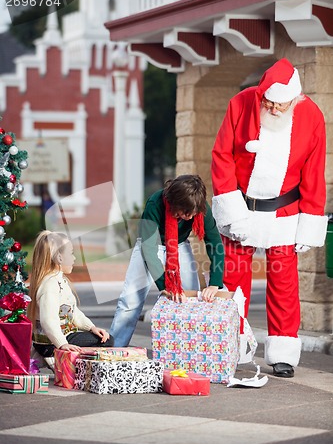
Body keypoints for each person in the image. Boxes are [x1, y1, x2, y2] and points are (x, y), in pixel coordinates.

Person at [211, 58, 327, 378]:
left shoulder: (312, 116)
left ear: (295, 98)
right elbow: (221, 156)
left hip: (285, 212)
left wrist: (311, 218)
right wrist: (232, 211)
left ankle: (282, 353)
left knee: (284, 285)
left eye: (281, 104)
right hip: (241, 208)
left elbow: (314, 172)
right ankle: (230, 346)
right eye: (269, 103)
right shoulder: (241, 103)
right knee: (232, 283)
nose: (274, 110)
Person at [110, 174, 225, 347]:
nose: (188, 217)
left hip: (178, 244)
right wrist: (165, 285)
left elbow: (215, 244)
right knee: (130, 302)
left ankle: (186, 351)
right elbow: (149, 250)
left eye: (191, 214)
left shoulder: (200, 208)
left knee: (189, 301)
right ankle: (114, 350)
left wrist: (215, 282)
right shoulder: (154, 204)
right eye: (184, 213)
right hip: (150, 244)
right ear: (173, 203)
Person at [28, 231, 114, 369]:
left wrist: (92, 327)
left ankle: (61, 360)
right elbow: (48, 321)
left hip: (58, 339)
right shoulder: (50, 285)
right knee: (107, 342)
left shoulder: (60, 280)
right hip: (51, 343)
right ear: (60, 258)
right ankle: (63, 361)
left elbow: (74, 313)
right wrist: (62, 344)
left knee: (104, 338)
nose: (74, 258)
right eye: (71, 253)